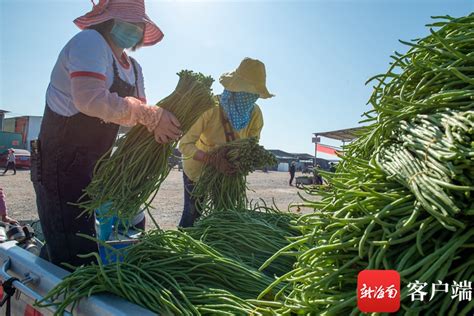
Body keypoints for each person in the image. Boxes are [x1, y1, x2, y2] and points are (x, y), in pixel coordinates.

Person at [31, 0, 181, 267]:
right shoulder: (89, 42)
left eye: (138, 24)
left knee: (75, 242)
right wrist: (151, 116)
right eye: (129, 21)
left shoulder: (134, 68)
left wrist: (156, 126)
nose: (134, 28)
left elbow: (130, 119)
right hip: (59, 164)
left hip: (92, 165)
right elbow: (90, 100)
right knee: (74, 253)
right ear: (108, 19)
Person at [178, 58, 273, 227]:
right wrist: (212, 159)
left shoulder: (255, 114)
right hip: (197, 169)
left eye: (254, 95)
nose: (249, 98)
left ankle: (211, 246)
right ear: (234, 89)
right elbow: (184, 145)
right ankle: (184, 248)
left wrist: (238, 162)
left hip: (229, 172)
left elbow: (252, 145)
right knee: (193, 213)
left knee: (224, 214)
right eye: (246, 92)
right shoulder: (210, 106)